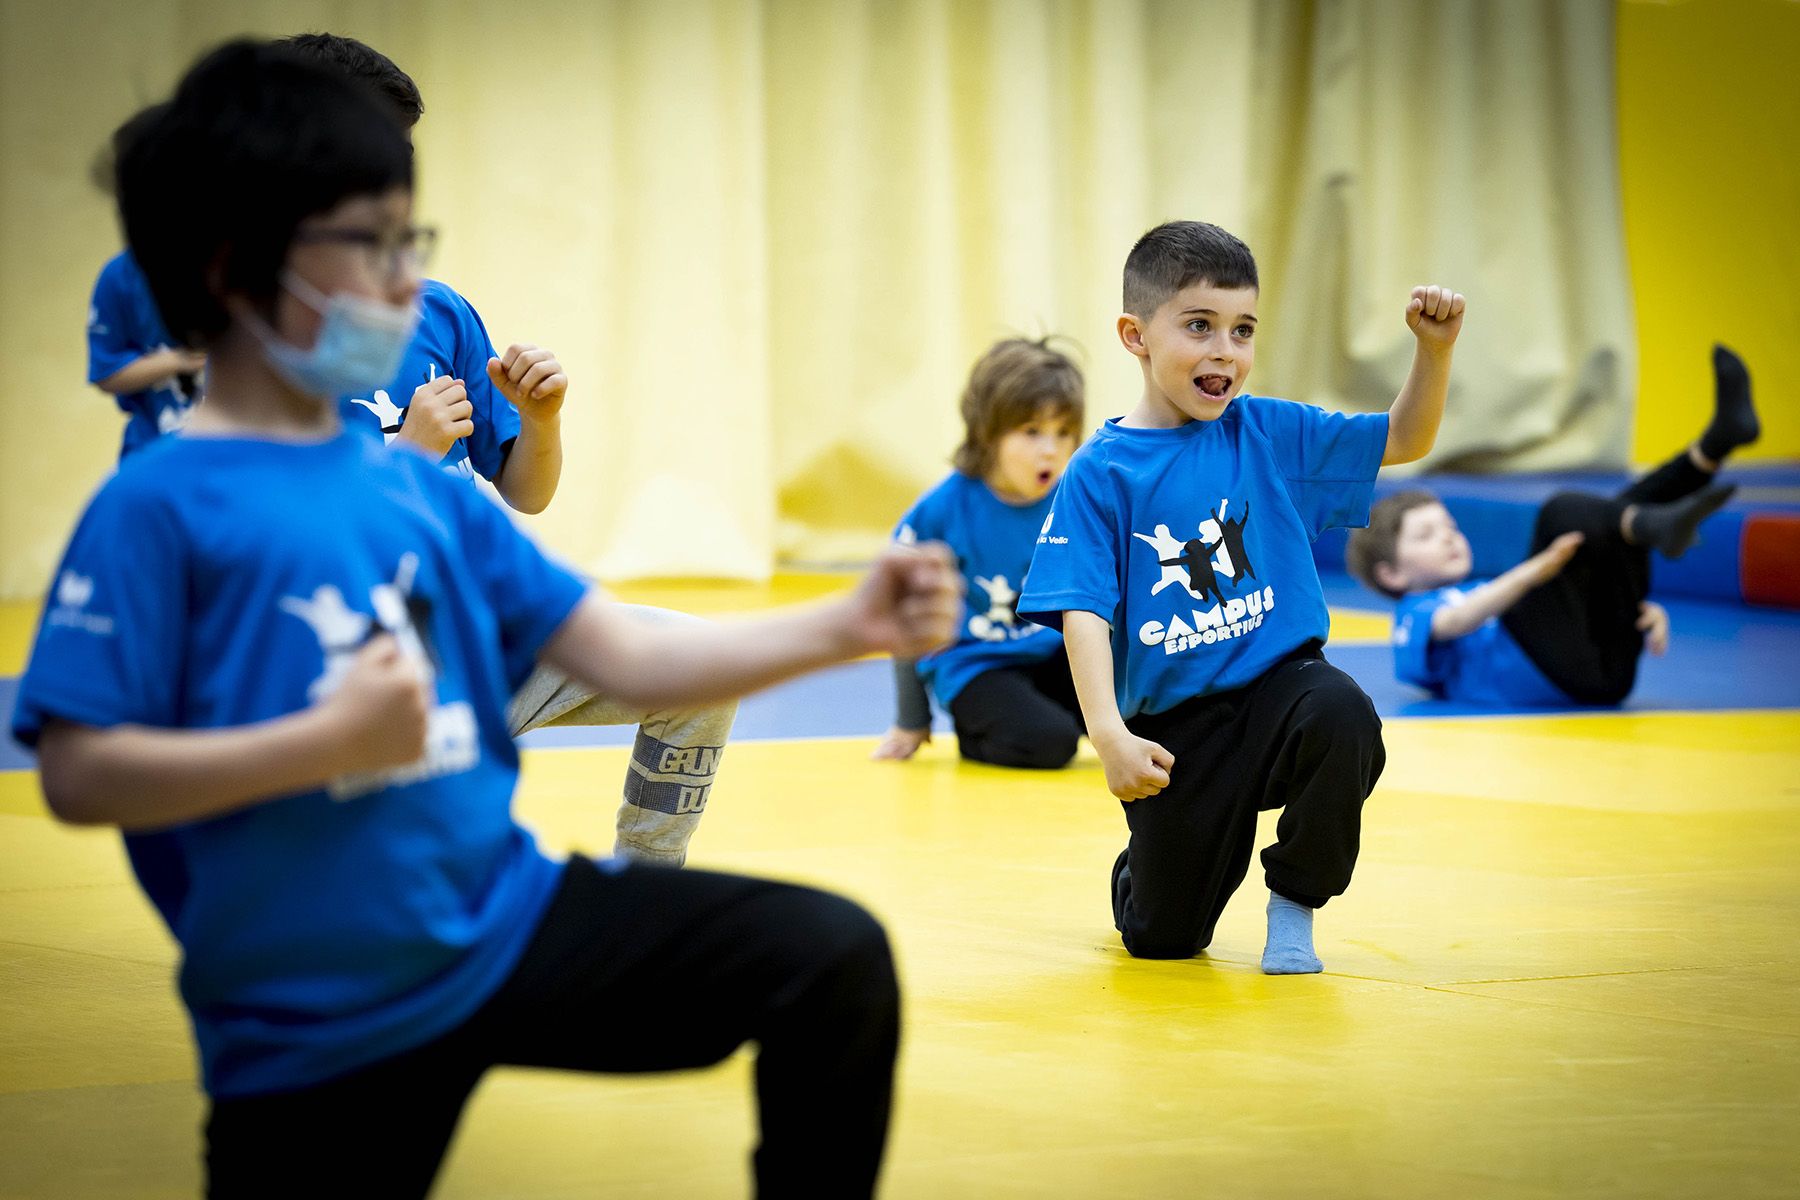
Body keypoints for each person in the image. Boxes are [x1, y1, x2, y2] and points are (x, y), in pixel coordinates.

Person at [13, 41, 960, 1197]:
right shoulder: (153, 510)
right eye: (367, 248)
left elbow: (621, 649)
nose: (407, 284)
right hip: (319, 1023)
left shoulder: (419, 489)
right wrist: (320, 744)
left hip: (504, 925)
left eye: (411, 242)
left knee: (831, 961)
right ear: (233, 269)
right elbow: (79, 774)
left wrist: (847, 623)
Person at [279, 32, 732, 866]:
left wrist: (543, 415)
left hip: (482, 634)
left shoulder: (437, 311)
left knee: (701, 667)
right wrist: (410, 457)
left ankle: (647, 885)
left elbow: (527, 491)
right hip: (346, 678)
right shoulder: (253, 339)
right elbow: (282, 549)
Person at [1019, 220, 1465, 974]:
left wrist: (1434, 350)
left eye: (1243, 329)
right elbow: (1083, 609)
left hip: (1280, 692)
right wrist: (1108, 736)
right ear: (1136, 335)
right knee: (1164, 941)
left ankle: (1294, 900)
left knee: (1344, 713)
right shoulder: (1102, 472)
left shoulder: (1268, 431)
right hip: (1178, 729)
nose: (1225, 350)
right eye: (1199, 326)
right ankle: (1143, 874)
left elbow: (1404, 438)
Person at [1347, 346, 1755, 707]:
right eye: (1426, 535)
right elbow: (1458, 621)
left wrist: (1639, 612)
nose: (1448, 537)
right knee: (1562, 515)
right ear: (1391, 573)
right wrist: (1535, 571)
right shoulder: (1411, 614)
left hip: (1605, 674)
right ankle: (1652, 520)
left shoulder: (1485, 590)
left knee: (1605, 521)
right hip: (1550, 670)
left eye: (1449, 527)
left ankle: (1712, 448)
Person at [872, 336, 1086, 768]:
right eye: (1032, 432)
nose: (1051, 449)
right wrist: (911, 720)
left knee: (1146, 706)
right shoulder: (943, 510)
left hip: (1050, 655)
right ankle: (979, 732)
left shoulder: (1072, 498)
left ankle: (1034, 712)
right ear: (988, 432)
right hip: (976, 666)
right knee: (1051, 743)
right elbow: (903, 615)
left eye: (1063, 432)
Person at [86, 247, 204, 457]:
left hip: (239, 446)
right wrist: (181, 360)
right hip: (154, 445)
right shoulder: (120, 275)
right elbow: (105, 371)